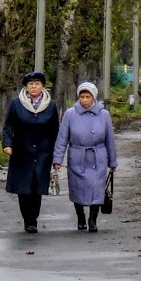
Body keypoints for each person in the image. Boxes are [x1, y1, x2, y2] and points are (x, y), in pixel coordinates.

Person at [53, 81, 117, 232]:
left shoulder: (104, 114)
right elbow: (62, 138)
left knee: (97, 188)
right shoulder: (70, 114)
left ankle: (93, 219)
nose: (85, 100)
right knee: (78, 188)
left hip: (98, 156)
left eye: (88, 96)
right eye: (82, 96)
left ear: (93, 97)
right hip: (77, 156)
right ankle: (80, 216)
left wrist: (112, 161)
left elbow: (110, 139)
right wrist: (57, 159)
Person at [2, 70, 60, 233]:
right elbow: (8, 126)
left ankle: (33, 219)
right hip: (22, 151)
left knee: (37, 188)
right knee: (23, 188)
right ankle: (27, 219)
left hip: (43, 152)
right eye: (31, 84)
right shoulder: (16, 104)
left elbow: (55, 130)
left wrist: (57, 154)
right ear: (26, 87)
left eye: (37, 83)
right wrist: (7, 144)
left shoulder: (51, 105)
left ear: (42, 86)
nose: (34, 86)